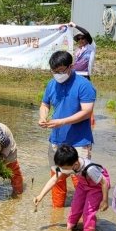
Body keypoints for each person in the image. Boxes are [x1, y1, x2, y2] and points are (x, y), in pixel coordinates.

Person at [38, 50, 96, 208]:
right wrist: (43, 117)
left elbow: (86, 112)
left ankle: (85, 217)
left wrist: (61, 122)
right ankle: (57, 213)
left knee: (81, 182)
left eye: (61, 71)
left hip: (78, 142)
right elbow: (45, 104)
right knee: (57, 178)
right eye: (54, 71)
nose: (58, 74)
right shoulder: (52, 84)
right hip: (56, 141)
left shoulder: (84, 86)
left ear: (71, 66)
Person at [33, 144, 110, 231]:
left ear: (75, 164)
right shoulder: (68, 165)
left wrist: (105, 201)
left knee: (88, 212)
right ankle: (70, 228)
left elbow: (104, 182)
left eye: (64, 169)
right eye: (61, 168)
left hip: (97, 186)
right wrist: (40, 195)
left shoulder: (90, 169)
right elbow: (54, 180)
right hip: (83, 184)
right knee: (75, 206)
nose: (63, 170)